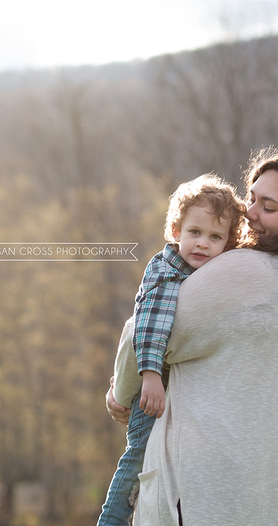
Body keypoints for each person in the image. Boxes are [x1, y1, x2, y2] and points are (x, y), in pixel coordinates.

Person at [105, 147, 278, 525]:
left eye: (269, 206)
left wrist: (119, 395)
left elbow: (143, 329)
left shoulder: (247, 272)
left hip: (202, 499)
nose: (249, 212)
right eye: (251, 198)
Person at [97, 173, 246, 526]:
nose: (202, 244)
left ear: (227, 243)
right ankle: (111, 521)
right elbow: (149, 324)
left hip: (178, 393)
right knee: (138, 461)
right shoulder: (167, 271)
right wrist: (149, 376)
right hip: (155, 387)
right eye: (195, 233)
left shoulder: (210, 274)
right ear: (177, 231)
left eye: (215, 237)